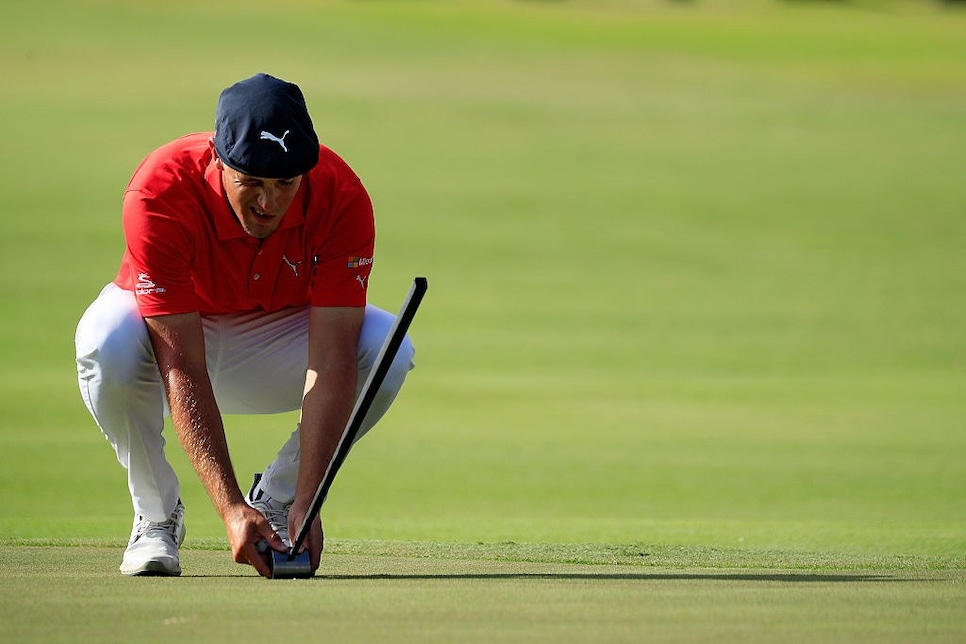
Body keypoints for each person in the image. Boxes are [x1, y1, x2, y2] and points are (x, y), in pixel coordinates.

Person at [74, 73, 415, 578]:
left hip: (273, 342)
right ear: (217, 158)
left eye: (285, 185)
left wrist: (309, 492)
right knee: (108, 340)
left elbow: (333, 357)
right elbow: (182, 363)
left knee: (388, 348)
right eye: (251, 182)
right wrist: (229, 506)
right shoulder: (159, 190)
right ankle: (155, 515)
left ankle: (279, 502)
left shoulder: (340, 194)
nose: (267, 202)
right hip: (170, 343)